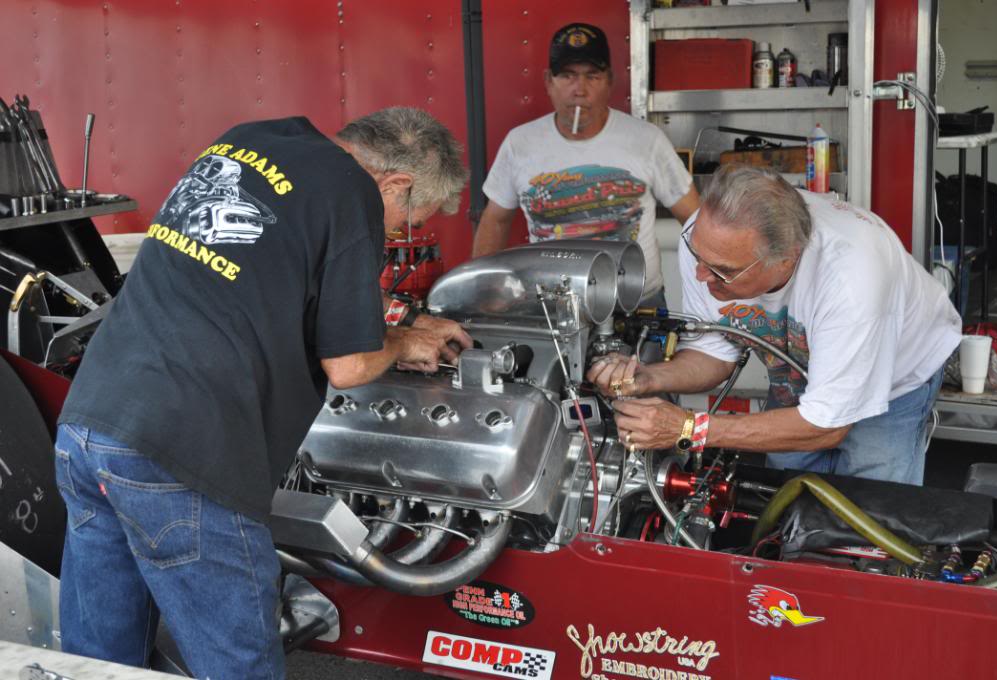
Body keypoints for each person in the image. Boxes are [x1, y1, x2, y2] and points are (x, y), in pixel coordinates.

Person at [54, 108, 472, 679]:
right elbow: (350, 366)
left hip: (90, 422)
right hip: (184, 451)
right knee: (238, 665)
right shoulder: (353, 191)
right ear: (396, 183)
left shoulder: (251, 141)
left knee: (98, 663)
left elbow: (271, 271)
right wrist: (401, 344)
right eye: (406, 220)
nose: (397, 233)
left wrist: (403, 323)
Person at [588, 164, 961, 485]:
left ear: (786, 259)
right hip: (799, 371)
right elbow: (715, 352)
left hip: (896, 379)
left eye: (722, 271)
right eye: (698, 256)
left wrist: (689, 428)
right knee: (788, 493)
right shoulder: (710, 244)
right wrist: (649, 378)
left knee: (873, 511)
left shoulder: (849, 280)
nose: (701, 275)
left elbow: (826, 427)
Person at [472, 22, 700, 308]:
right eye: (567, 76)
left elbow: (694, 218)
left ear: (609, 81)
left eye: (592, 76)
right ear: (548, 81)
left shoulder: (647, 140)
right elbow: (495, 219)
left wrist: (712, 288)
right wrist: (481, 290)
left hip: (637, 304)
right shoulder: (520, 144)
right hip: (553, 307)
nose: (579, 90)